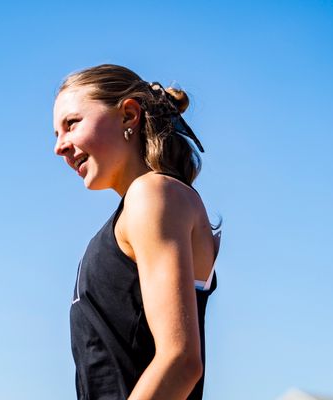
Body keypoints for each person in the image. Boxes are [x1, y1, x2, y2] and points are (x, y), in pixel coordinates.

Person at [52, 64, 222, 400]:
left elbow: (181, 360)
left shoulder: (153, 194)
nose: (59, 146)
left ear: (129, 115)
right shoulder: (142, 205)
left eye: (71, 124)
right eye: (56, 134)